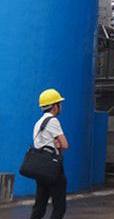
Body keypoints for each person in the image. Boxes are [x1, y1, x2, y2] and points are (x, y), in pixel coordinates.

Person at [30, 88, 69, 219]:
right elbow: (65, 144)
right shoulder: (53, 121)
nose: (61, 106)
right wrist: (59, 145)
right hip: (53, 167)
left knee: (40, 206)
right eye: (59, 104)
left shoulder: (38, 123)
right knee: (59, 206)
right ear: (55, 106)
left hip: (40, 167)